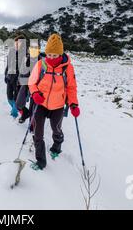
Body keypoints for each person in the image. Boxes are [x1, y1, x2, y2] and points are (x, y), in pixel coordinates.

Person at [28, 33, 80, 170]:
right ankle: (41, 161)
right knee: (37, 132)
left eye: (54, 55)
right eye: (49, 54)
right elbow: (31, 82)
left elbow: (71, 87)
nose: (51, 58)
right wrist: (35, 93)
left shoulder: (67, 68)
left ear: (60, 54)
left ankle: (56, 147)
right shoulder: (41, 65)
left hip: (57, 106)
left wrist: (73, 104)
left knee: (56, 129)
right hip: (41, 104)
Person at [16, 40, 45, 124]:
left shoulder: (42, 61)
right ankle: (25, 113)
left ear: (39, 49)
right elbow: (21, 71)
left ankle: (32, 125)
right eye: (32, 47)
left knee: (34, 107)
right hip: (25, 84)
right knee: (19, 104)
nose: (33, 49)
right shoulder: (26, 58)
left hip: (36, 87)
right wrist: (19, 80)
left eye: (35, 48)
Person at [5, 35, 29, 118]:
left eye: (18, 43)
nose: (16, 44)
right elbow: (8, 65)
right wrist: (6, 75)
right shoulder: (11, 51)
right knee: (9, 98)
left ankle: (14, 114)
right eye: (16, 43)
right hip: (10, 78)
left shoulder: (26, 55)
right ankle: (24, 112)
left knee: (16, 100)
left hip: (18, 81)